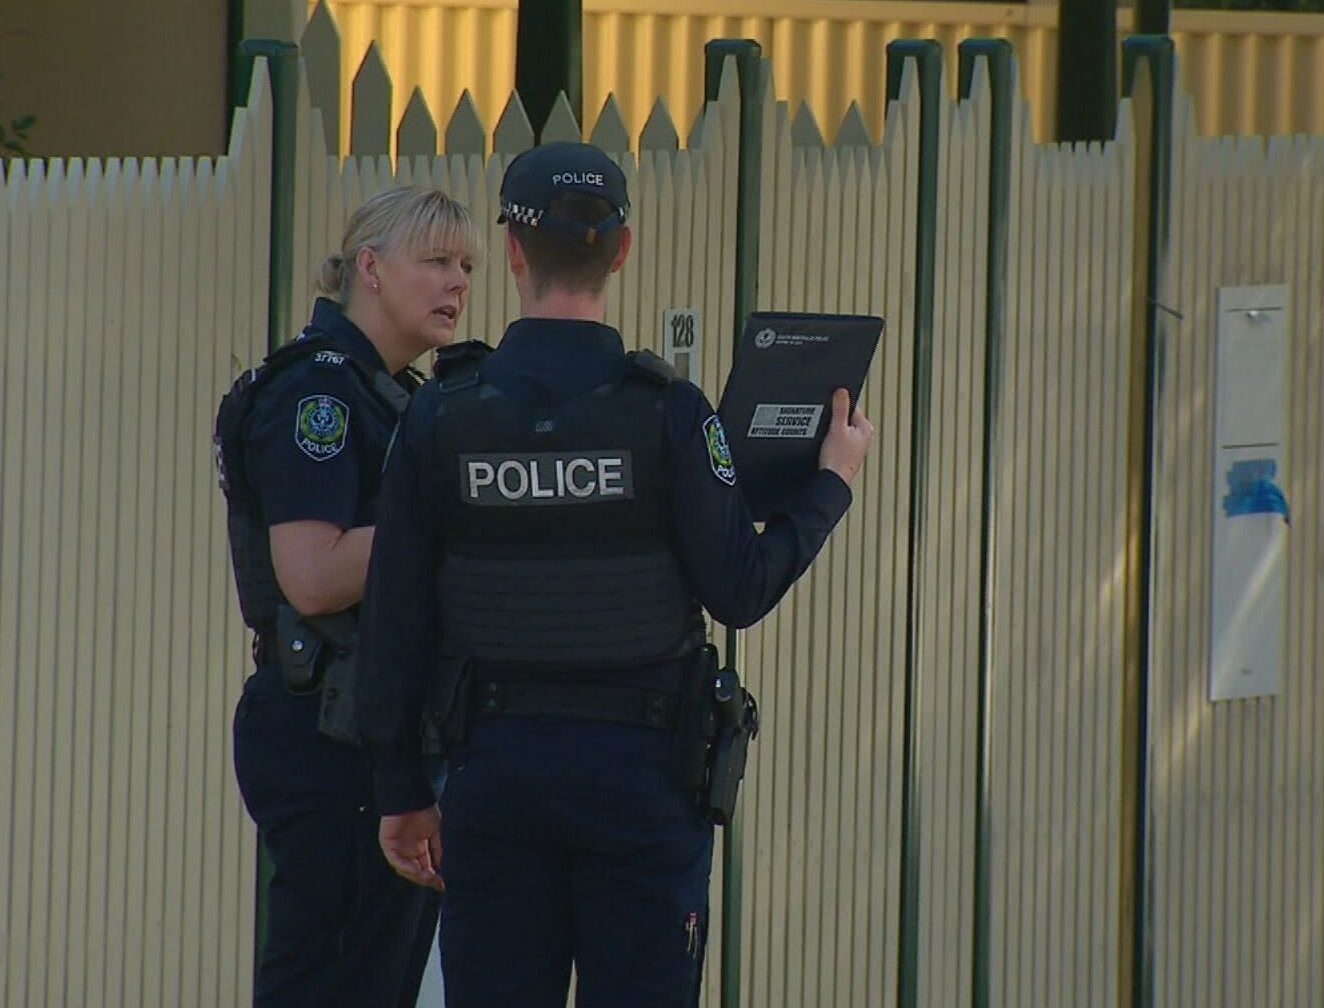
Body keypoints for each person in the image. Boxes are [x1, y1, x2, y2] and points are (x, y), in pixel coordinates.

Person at [355, 142, 874, 1006]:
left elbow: (395, 621)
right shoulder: (668, 413)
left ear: (513, 253)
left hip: (495, 772)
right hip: (643, 779)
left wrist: (400, 792)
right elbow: (740, 588)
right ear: (622, 249)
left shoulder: (441, 414)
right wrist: (830, 485)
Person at [215, 184, 476, 1007]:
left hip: (374, 730)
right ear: (370, 267)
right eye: (435, 262)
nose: (458, 283)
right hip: (325, 734)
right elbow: (314, 573)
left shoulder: (394, 392)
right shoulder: (317, 395)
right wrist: (447, 520)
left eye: (466, 265)